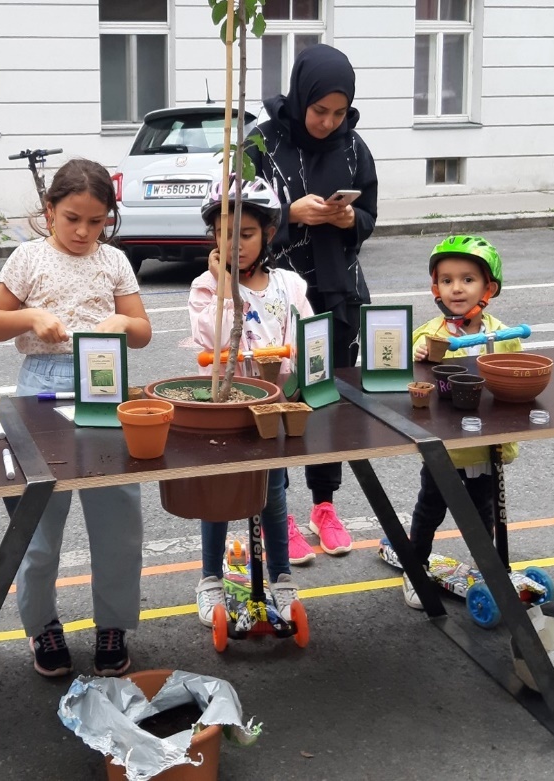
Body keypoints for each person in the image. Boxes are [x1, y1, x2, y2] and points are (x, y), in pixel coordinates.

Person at [0, 159, 152, 678]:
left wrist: (124, 321)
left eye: (96, 221)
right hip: (41, 384)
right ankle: (42, 625)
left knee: (117, 511)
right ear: (50, 210)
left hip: (104, 379)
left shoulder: (115, 261)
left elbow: (141, 332)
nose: (83, 231)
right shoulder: (28, 258)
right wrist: (30, 316)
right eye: (72, 217)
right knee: (37, 517)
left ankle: (113, 624)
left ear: (108, 221)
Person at [249, 43, 379, 556]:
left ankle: (324, 504)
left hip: (339, 294)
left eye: (338, 112)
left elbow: (369, 215)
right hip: (275, 300)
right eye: (319, 110)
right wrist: (288, 214)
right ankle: (271, 512)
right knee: (275, 402)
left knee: (327, 402)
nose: (327, 122)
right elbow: (237, 222)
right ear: (300, 96)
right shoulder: (261, 143)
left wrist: (351, 219)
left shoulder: (352, 146)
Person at [187, 177, 313, 625]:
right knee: (217, 494)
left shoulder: (289, 286)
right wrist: (224, 285)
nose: (235, 244)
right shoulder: (205, 288)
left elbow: (305, 343)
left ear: (267, 234)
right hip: (223, 412)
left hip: (272, 410)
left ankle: (280, 577)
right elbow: (214, 337)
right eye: (225, 234)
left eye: (246, 234)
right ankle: (209, 579)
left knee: (273, 494)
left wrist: (294, 357)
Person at [403, 235, 522, 609]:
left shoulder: (502, 335)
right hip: (445, 451)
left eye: (468, 279)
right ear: (435, 287)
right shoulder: (429, 336)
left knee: (484, 513)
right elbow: (411, 383)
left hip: (486, 449)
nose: (457, 288)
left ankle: (489, 565)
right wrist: (420, 355)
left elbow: (516, 382)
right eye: (448, 279)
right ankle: (415, 566)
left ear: (489, 288)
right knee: (429, 511)